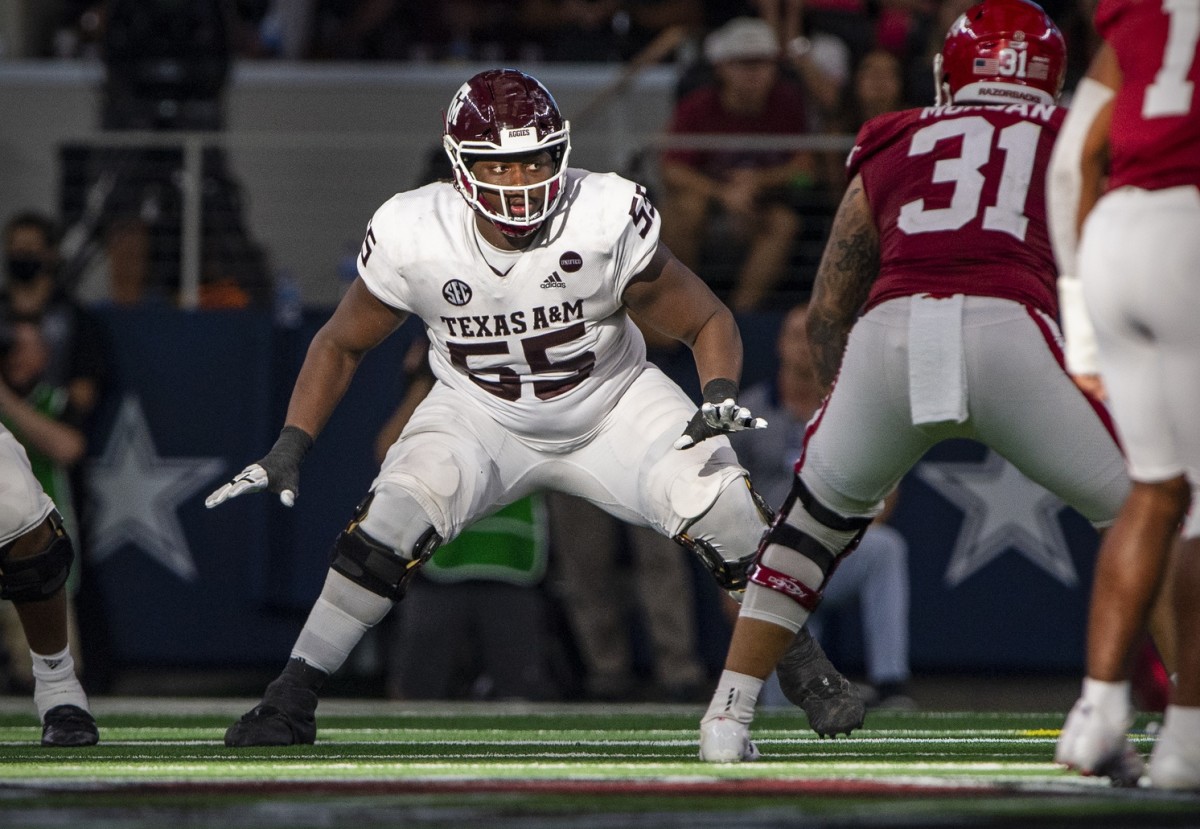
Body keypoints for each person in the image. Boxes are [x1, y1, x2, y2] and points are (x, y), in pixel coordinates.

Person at [205, 67, 861, 746]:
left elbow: (706, 318)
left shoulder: (601, 213)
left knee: (726, 505)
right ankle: (291, 695)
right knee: (389, 517)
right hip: (479, 413)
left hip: (611, 401)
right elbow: (340, 343)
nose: (522, 182)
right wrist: (293, 441)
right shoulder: (415, 231)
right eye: (502, 165)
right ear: (463, 168)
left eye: (535, 160)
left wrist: (718, 393)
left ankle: (806, 665)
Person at [697, 0, 1143, 764]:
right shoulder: (1074, 133)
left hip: (893, 331)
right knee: (1152, 518)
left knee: (803, 535)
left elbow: (831, 302)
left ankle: (726, 717)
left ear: (951, 72)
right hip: (1014, 328)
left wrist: (849, 422)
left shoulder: (898, 136)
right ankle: (1155, 712)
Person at [1046, 0, 1200, 790]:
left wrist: (1077, 318)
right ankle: (1188, 738)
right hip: (1190, 231)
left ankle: (1098, 714)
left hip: (1115, 241)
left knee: (1156, 488)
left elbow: (1074, 162)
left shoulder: (1141, 20)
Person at [729, 302, 912, 710]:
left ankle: (891, 682)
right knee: (785, 709)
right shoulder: (749, 413)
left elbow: (887, 484)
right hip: (770, 559)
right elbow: (723, 498)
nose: (804, 348)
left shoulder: (849, 409)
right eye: (796, 336)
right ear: (779, 344)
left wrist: (843, 540)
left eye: (814, 338)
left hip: (833, 549)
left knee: (885, 547)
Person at [375, 338, 554, 701]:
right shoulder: (439, 396)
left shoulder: (531, 393)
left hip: (511, 565)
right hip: (443, 564)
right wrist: (428, 378)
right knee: (415, 692)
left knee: (521, 699)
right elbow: (387, 450)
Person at [659, 16, 819, 313]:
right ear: (721, 68)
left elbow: (805, 170)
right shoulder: (696, 105)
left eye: (763, 64)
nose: (755, 73)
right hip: (708, 201)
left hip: (763, 204)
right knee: (684, 210)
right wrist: (722, 193)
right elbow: (672, 169)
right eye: (744, 64)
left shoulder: (788, 102)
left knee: (784, 223)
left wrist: (759, 182)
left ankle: (741, 315)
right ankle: (684, 310)